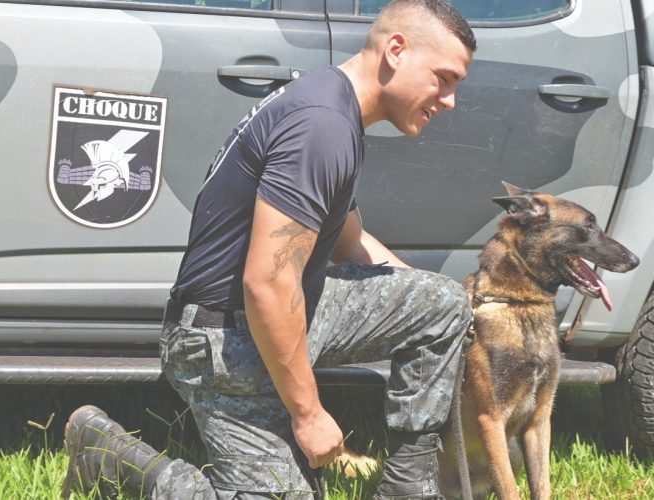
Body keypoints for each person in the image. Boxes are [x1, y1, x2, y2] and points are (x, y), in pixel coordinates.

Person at [62, 1, 476, 497]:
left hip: (283, 307)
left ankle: (409, 487)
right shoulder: (322, 127)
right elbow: (267, 281)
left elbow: (350, 241)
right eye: (443, 78)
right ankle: (108, 455)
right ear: (396, 50)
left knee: (445, 303)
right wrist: (309, 415)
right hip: (221, 339)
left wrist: (430, 308)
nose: (449, 100)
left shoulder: (335, 107)